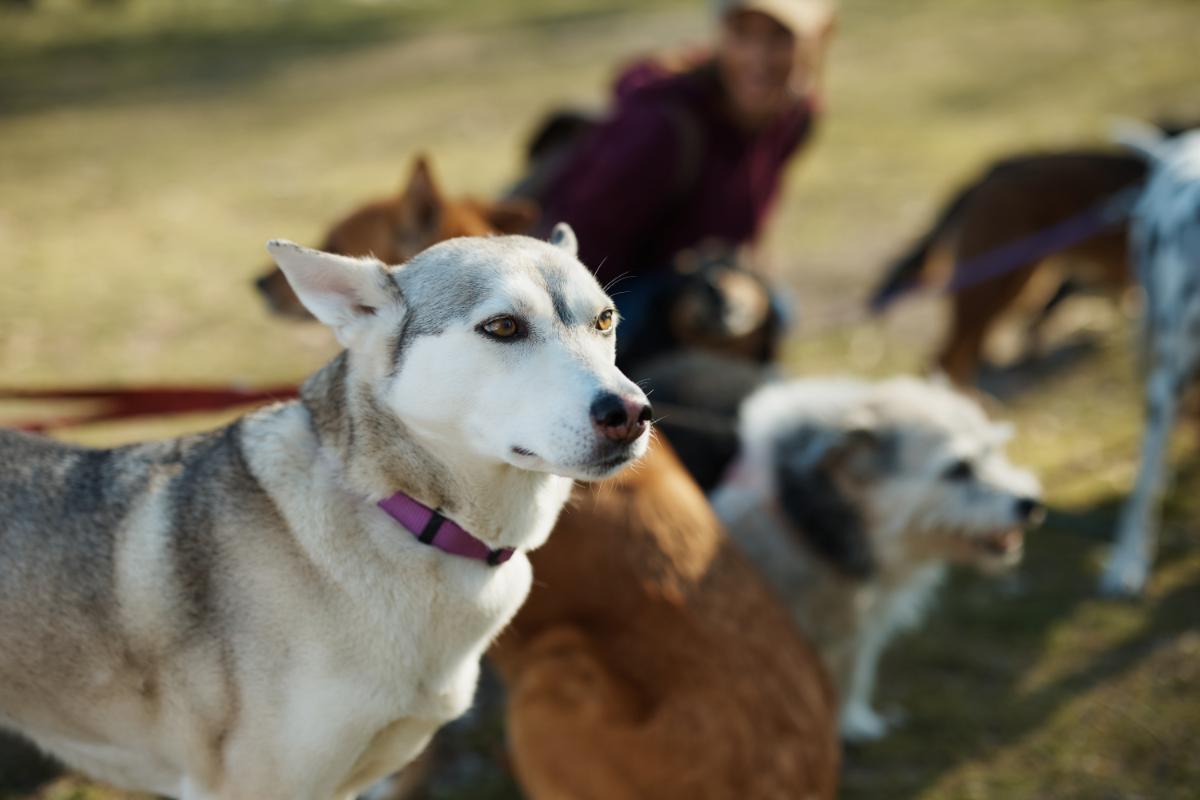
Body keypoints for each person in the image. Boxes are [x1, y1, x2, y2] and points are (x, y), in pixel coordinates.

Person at [530, 0, 836, 345]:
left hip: (701, 289)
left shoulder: (795, 113)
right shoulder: (662, 126)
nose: (757, 58)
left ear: (821, 37)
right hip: (608, 309)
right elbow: (578, 262)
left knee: (776, 307)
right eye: (741, 34)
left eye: (780, 38)